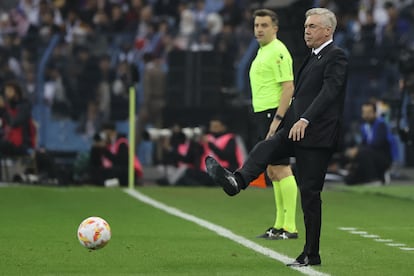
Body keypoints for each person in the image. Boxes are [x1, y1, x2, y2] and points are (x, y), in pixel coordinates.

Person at [205, 8, 348, 267]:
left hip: (317, 135)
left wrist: (305, 119)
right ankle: (237, 181)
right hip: (296, 129)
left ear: (328, 30)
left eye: (313, 26)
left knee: (310, 194)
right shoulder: (312, 57)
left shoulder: (336, 56)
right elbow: (300, 98)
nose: (307, 30)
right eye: (306, 25)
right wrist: (287, 123)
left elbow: (330, 92)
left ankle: (311, 253)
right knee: (267, 146)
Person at [248, 9, 298, 240]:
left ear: (275, 28)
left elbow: (288, 87)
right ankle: (279, 225)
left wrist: (277, 120)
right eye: (257, 25)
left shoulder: (278, 51)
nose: (259, 29)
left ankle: (290, 227)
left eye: (264, 25)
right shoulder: (263, 51)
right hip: (264, 113)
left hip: (274, 114)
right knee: (271, 170)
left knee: (281, 167)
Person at [344, 102, 394, 185]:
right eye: (364, 112)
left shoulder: (381, 124)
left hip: (383, 158)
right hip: (367, 157)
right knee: (349, 180)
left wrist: (358, 150)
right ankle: (375, 177)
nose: (366, 115)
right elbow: (363, 143)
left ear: (375, 113)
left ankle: (374, 179)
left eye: (369, 112)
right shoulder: (363, 127)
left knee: (363, 152)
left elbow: (377, 144)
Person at [89, 121, 143, 186]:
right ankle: (108, 183)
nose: (107, 137)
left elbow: (121, 162)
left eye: (108, 134)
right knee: (95, 171)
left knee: (121, 171)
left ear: (114, 133)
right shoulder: (103, 144)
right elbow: (95, 163)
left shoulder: (121, 143)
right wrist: (96, 149)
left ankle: (110, 183)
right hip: (110, 171)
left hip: (128, 171)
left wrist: (105, 150)